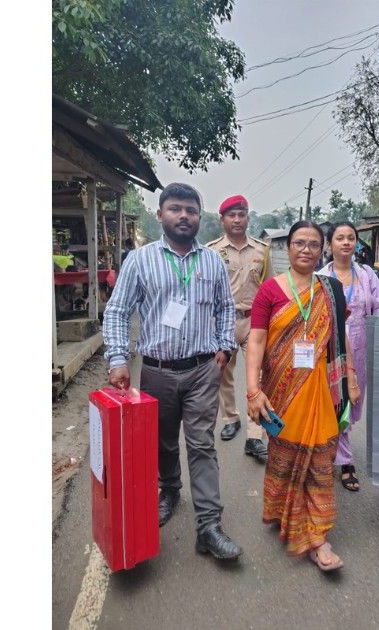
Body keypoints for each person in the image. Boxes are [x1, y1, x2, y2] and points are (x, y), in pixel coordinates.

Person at [102, 182, 243, 561]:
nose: (184, 216)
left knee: (202, 445)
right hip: (157, 372)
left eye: (191, 210)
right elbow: (117, 311)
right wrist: (118, 359)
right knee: (163, 443)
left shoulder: (212, 261)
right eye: (176, 209)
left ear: (200, 217)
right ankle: (170, 490)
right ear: (160, 214)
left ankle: (209, 525)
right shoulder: (140, 260)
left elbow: (225, 308)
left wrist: (224, 346)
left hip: (201, 371)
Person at [245, 220, 358, 572]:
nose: (306, 250)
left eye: (313, 244)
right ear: (288, 247)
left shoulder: (331, 289)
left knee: (320, 459)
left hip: (322, 389)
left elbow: (341, 336)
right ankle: (283, 511)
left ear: (322, 249)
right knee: (285, 454)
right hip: (282, 391)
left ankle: (317, 536)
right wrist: (253, 391)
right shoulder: (270, 290)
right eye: (299, 243)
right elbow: (256, 340)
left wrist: (351, 377)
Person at [320, 221, 379, 491]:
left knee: (352, 401)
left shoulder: (366, 274)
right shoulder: (320, 277)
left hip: (360, 349)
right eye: (340, 238)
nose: (346, 242)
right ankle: (345, 460)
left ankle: (337, 448)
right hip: (329, 349)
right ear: (330, 244)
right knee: (332, 401)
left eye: (351, 238)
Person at [205, 195, 274, 464]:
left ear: (247, 217)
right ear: (222, 219)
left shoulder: (262, 250)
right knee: (223, 373)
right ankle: (230, 418)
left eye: (241, 214)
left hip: (255, 321)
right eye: (231, 215)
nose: (237, 220)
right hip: (223, 321)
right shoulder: (212, 251)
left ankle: (255, 435)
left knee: (259, 376)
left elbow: (269, 287)